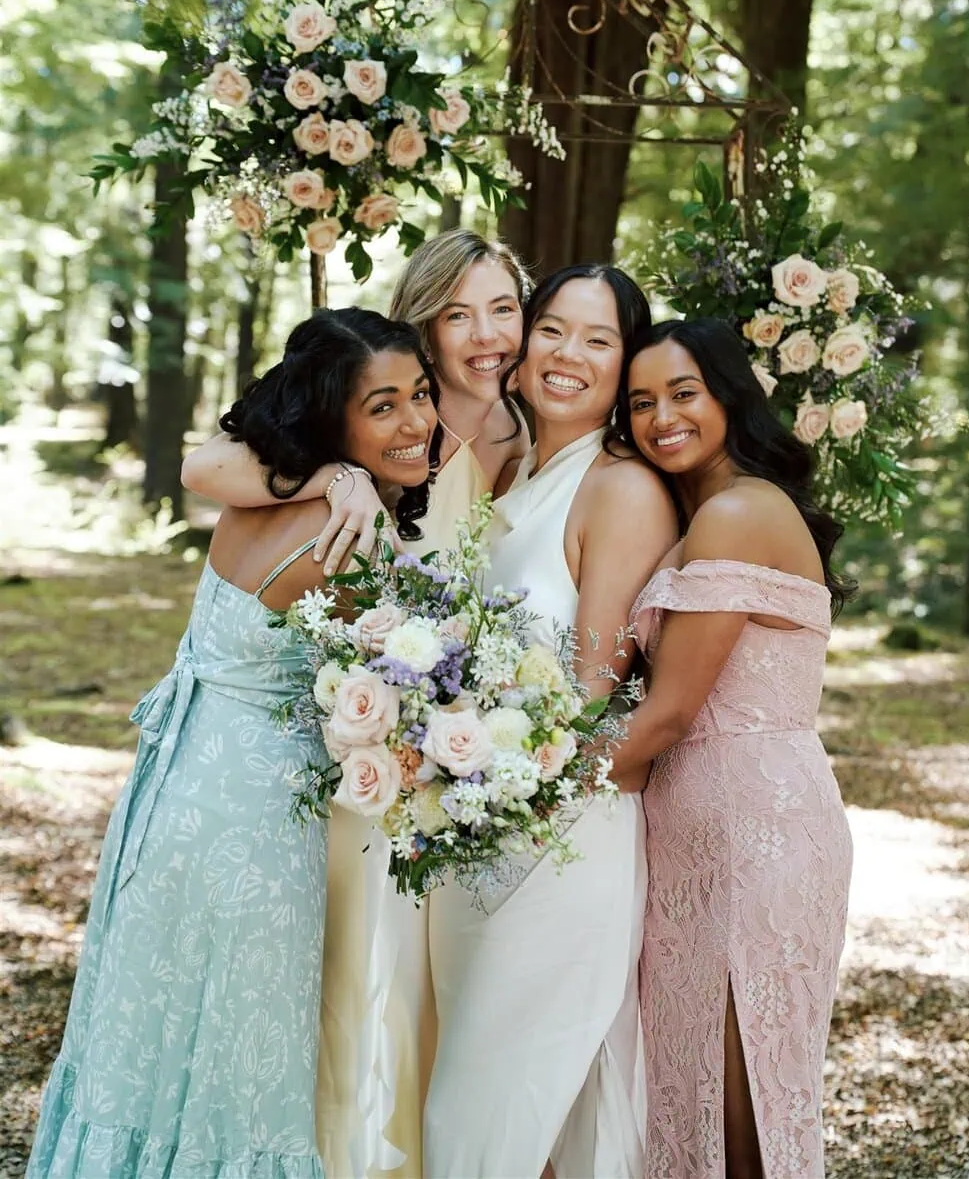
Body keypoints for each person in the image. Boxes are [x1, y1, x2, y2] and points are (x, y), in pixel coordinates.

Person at [27, 307, 439, 1179]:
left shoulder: (262, 497)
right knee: (240, 1063)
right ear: (334, 420)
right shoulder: (353, 544)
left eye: (421, 395)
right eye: (384, 406)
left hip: (176, 789)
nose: (416, 422)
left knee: (158, 1035)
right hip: (257, 827)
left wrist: (335, 473)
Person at [180, 230, 531, 1179]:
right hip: (345, 734)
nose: (486, 334)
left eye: (503, 308)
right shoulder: (362, 399)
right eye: (458, 313)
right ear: (422, 321)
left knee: (430, 975)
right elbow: (206, 471)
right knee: (339, 973)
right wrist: (332, 471)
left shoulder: (525, 424)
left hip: (435, 732)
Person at [424, 265, 679, 1179]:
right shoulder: (508, 470)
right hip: (470, 823)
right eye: (553, 331)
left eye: (599, 340)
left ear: (626, 366)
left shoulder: (620, 489)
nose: (568, 355)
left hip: (559, 830)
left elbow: (597, 689)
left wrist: (508, 778)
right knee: (474, 1085)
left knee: (501, 1102)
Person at [610, 318, 854, 1179]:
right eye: (640, 402)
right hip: (695, 834)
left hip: (757, 831)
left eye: (684, 393)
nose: (661, 417)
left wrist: (527, 791)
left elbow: (671, 713)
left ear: (728, 396)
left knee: (741, 1091)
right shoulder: (702, 513)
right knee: (689, 1088)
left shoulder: (741, 512)